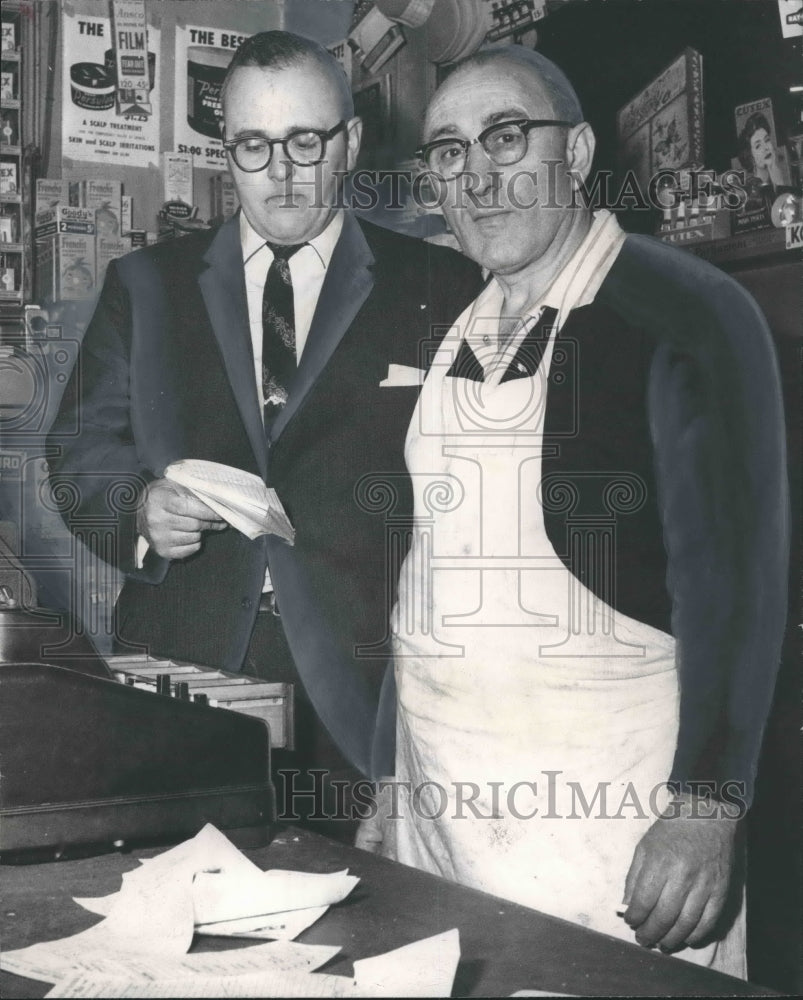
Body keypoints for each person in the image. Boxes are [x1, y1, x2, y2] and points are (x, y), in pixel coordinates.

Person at [357, 46, 788, 976]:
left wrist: (707, 806)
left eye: (505, 137)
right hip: (442, 814)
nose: (476, 176)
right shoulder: (458, 326)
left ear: (580, 152)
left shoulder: (685, 309)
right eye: (446, 151)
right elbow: (432, 566)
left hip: (602, 823)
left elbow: (740, 578)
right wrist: (390, 778)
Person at [47, 32, 480, 794]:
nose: (279, 174)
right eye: (253, 146)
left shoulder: (441, 284)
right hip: (183, 667)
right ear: (226, 153)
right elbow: (80, 451)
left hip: (368, 685)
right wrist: (138, 511)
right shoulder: (145, 285)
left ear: (348, 143)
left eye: (304, 142)